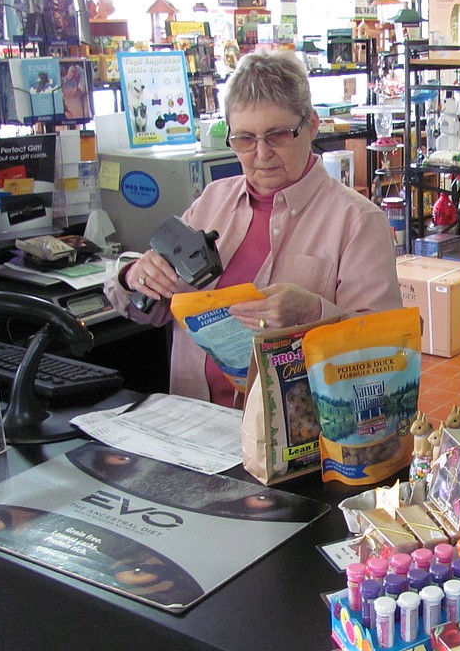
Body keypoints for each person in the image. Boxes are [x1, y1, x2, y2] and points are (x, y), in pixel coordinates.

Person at [104, 49, 402, 407]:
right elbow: (149, 310)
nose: (260, 154)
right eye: (244, 139)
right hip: (193, 418)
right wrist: (134, 278)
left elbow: (386, 354)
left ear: (311, 125)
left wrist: (315, 316)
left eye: (277, 135)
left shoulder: (357, 222)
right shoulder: (213, 201)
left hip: (293, 439)